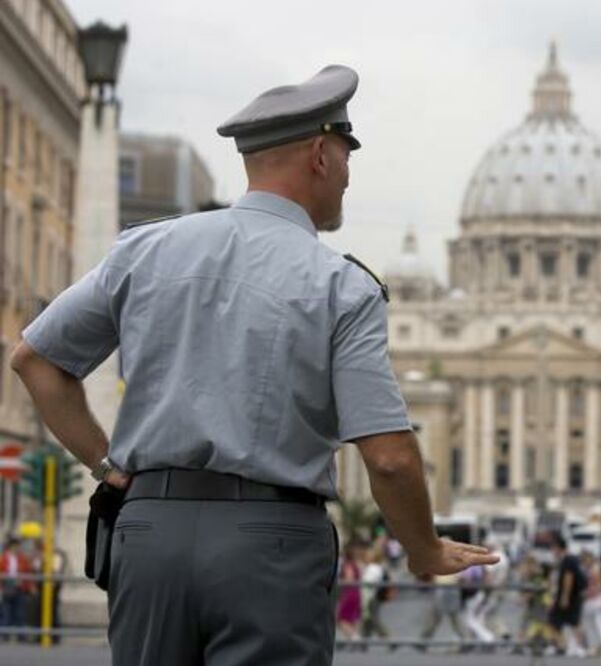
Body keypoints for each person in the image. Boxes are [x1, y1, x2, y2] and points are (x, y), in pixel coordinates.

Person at [9, 64, 497, 666]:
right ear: (320, 156)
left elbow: (35, 360)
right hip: (271, 545)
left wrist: (106, 466)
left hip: (147, 532)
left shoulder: (145, 249)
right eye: (347, 156)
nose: (349, 176)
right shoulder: (341, 286)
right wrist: (423, 549)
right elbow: (391, 457)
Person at [548, 534, 587, 656]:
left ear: (558, 547)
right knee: (573, 622)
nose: (552, 551)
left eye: (553, 548)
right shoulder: (573, 558)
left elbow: (568, 578)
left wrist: (564, 597)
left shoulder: (567, 560)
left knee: (554, 620)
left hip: (569, 596)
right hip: (575, 596)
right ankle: (575, 647)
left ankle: (565, 646)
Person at [580, 549, 601, 657]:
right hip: (593, 600)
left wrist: (589, 593)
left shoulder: (595, 570)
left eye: (586, 559)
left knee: (596, 625)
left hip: (595, 600)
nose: (585, 562)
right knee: (595, 625)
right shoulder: (589, 569)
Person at [360, 544, 392, 645]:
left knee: (373, 619)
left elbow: (368, 582)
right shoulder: (376, 567)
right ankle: (363, 641)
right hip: (372, 596)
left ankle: (388, 639)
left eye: (368, 555)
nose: (366, 556)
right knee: (367, 620)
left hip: (370, 597)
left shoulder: (373, 568)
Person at [336, 542, 363, 643]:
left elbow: (349, 579)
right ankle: (355, 639)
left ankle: (355, 639)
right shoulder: (355, 563)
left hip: (349, 593)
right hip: (356, 592)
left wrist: (339, 581)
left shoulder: (347, 565)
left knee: (341, 619)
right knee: (351, 618)